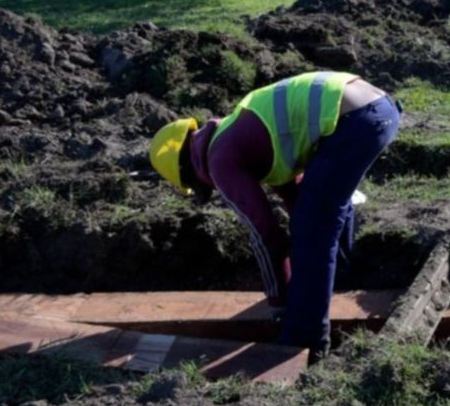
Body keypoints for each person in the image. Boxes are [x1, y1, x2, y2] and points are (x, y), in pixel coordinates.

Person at [148, 71, 400, 357]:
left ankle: (305, 339)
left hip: (356, 121)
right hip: (377, 106)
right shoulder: (247, 134)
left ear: (188, 172)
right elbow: (297, 200)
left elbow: (265, 235)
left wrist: (280, 303)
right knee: (317, 213)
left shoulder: (220, 160)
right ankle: (335, 280)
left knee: (314, 227)